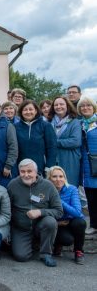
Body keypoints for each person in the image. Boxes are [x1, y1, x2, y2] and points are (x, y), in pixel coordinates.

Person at [7, 159, 63, 267]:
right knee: (21, 257)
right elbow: (7, 209)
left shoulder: (48, 186)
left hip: (40, 225)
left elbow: (59, 211)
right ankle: (31, 244)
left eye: (29, 171)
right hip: (21, 228)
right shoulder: (13, 185)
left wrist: (40, 212)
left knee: (50, 222)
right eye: (22, 171)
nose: (26, 175)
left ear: (36, 172)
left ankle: (46, 253)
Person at [46, 166, 85, 264]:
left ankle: (79, 251)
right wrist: (58, 223)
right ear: (49, 179)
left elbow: (77, 212)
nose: (58, 179)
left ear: (65, 178)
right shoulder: (45, 190)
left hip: (70, 221)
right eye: (54, 176)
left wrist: (59, 200)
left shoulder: (72, 189)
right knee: (67, 240)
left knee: (80, 222)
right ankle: (58, 244)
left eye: (61, 176)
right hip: (56, 223)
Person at [15, 100, 57, 175]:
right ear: (21, 112)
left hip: (40, 168)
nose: (28, 112)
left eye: (31, 109)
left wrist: (49, 166)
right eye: (25, 110)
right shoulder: (15, 127)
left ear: (36, 111)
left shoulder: (45, 126)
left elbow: (52, 147)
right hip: (21, 168)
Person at [49, 96, 82, 186]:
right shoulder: (49, 122)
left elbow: (76, 141)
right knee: (53, 188)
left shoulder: (74, 122)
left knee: (69, 186)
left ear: (67, 106)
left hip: (70, 160)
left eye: (61, 104)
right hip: (53, 160)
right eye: (56, 105)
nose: (59, 106)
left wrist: (54, 142)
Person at [78, 96, 97, 235]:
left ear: (93, 107)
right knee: (91, 197)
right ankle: (94, 225)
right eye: (83, 106)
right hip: (86, 165)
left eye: (88, 105)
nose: (85, 108)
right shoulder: (80, 124)